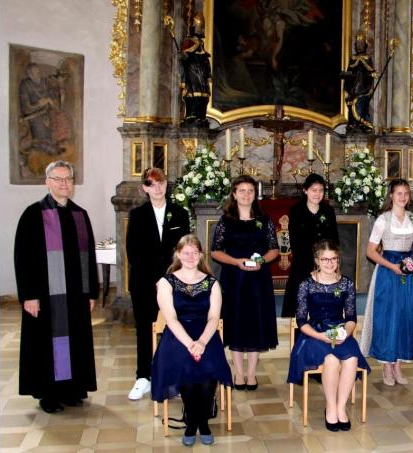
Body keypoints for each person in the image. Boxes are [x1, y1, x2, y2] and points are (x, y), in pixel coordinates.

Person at [13, 160, 98, 414]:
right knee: (48, 344)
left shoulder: (80, 215)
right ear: (47, 182)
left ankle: (72, 389)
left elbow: (89, 257)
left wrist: (92, 292)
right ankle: (48, 394)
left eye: (68, 179)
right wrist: (28, 295)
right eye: (58, 179)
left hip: (75, 295)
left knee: (75, 341)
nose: (64, 184)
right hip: (46, 297)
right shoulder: (33, 214)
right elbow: (22, 258)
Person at [151, 235, 232, 446]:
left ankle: (202, 421)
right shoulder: (166, 282)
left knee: (210, 366)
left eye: (194, 252)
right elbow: (170, 318)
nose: (190, 256)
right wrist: (190, 344)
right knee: (185, 364)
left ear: (201, 255)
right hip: (178, 335)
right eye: (186, 252)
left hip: (206, 334)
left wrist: (202, 342)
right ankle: (191, 423)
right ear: (178, 254)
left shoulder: (212, 283)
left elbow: (214, 317)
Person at [287, 240, 371, 431]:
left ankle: (341, 408)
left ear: (338, 260)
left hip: (339, 330)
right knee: (331, 360)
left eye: (333, 258)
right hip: (314, 333)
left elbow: (350, 318)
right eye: (325, 259)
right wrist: (321, 336)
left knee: (351, 359)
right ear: (317, 260)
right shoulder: (306, 284)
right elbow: (301, 321)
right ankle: (331, 408)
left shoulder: (346, 283)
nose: (329, 263)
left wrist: (345, 333)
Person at [125, 168, 191, 400]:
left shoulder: (180, 213)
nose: (157, 188)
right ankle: (143, 377)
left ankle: (176, 376)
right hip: (144, 283)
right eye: (151, 184)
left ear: (166, 184)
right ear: (144, 188)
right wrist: (155, 279)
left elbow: (185, 249)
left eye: (161, 182)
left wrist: (171, 278)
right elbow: (133, 252)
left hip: (174, 282)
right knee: (145, 329)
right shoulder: (137, 215)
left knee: (176, 328)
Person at [210, 175, 280, 390]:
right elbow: (215, 252)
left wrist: (262, 260)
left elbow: (274, 250)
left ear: (254, 194)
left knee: (255, 324)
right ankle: (238, 373)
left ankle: (251, 374)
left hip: (258, 281)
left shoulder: (264, 220)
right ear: (234, 193)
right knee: (236, 323)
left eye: (250, 190)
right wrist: (236, 261)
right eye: (242, 190)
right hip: (234, 279)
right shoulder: (226, 221)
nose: (246, 194)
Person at [360, 179, 413, 386]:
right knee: (388, 316)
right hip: (388, 272)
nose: (403, 197)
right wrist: (392, 266)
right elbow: (370, 251)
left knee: (405, 315)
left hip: (407, 272)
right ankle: (387, 364)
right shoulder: (383, 220)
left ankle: (398, 364)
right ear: (391, 196)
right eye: (399, 193)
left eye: (406, 193)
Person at [281, 173, 339, 318]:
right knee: (299, 304)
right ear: (305, 190)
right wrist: (313, 260)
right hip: (303, 263)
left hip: (325, 263)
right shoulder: (296, 211)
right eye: (314, 190)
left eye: (321, 190)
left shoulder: (328, 211)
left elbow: (334, 239)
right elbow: (295, 241)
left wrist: (326, 260)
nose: (317, 194)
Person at [179, 12, 212, 126]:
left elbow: (206, 59)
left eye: (201, 27)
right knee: (193, 93)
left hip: (201, 72)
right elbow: (184, 56)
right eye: (198, 27)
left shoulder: (201, 43)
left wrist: (208, 74)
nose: (200, 30)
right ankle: (191, 115)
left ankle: (201, 115)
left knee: (203, 94)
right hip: (192, 70)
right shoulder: (189, 41)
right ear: (193, 27)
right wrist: (184, 55)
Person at [340, 32, 376, 132]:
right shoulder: (353, 59)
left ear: (365, 45)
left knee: (360, 105)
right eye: (357, 44)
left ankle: (364, 124)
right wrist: (346, 75)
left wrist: (372, 74)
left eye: (361, 44)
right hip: (353, 87)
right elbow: (350, 71)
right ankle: (352, 124)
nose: (359, 47)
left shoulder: (367, 58)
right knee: (351, 105)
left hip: (363, 88)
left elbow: (370, 72)